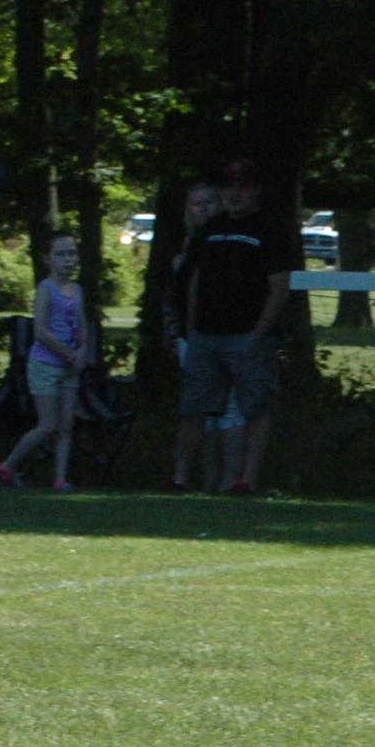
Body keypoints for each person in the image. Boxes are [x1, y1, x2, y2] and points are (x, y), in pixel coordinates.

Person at [181, 158, 293, 496]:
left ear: (255, 189)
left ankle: (246, 479)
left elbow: (280, 286)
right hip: (205, 334)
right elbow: (196, 279)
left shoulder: (270, 228)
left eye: (242, 186)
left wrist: (259, 333)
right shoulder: (212, 227)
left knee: (253, 407)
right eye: (229, 186)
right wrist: (192, 326)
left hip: (247, 335)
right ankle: (184, 478)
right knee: (195, 407)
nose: (235, 193)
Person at [0, 232, 90, 491]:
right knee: (48, 425)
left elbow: (82, 324)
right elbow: (41, 332)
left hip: (69, 368)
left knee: (66, 426)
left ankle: (60, 480)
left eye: (71, 253)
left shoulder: (77, 290)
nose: (68, 259)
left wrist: (82, 350)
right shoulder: (46, 290)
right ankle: (6, 467)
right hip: (45, 366)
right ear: (47, 259)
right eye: (60, 254)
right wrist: (66, 352)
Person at [166, 180, 222, 492]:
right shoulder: (186, 246)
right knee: (194, 409)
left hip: (221, 334)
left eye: (209, 202)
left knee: (218, 413)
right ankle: (182, 477)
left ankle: (216, 480)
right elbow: (174, 299)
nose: (203, 209)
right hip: (190, 337)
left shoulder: (225, 241)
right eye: (196, 204)